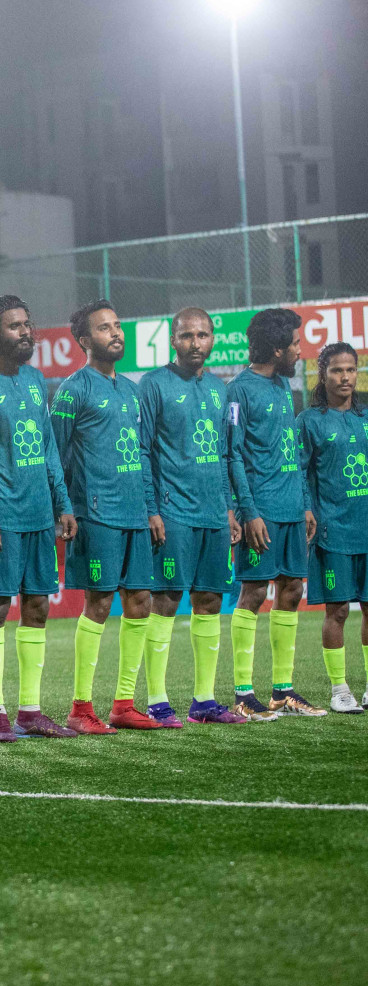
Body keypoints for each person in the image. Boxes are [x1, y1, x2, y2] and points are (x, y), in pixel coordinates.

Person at [0, 296, 79, 742]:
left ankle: (30, 711)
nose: (25, 332)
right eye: (13, 326)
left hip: (39, 515)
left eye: (27, 324)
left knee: (38, 607)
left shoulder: (35, 379)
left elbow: (47, 448)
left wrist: (62, 502)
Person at [50, 300, 157, 734]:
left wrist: (151, 509)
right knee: (99, 602)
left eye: (118, 325)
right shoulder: (73, 389)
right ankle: (80, 708)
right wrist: (63, 506)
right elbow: (54, 454)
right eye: (104, 328)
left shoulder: (131, 391)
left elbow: (144, 454)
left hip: (135, 513)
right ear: (83, 341)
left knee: (141, 602)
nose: (116, 333)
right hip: (96, 514)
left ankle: (124, 704)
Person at [137, 308, 246, 725]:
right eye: (187, 336)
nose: (195, 343)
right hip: (174, 512)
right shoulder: (153, 385)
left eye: (203, 335)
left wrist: (228, 507)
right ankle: (158, 701)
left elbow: (221, 455)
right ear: (173, 340)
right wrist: (152, 509)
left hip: (213, 515)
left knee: (210, 600)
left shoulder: (219, 389)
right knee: (164, 600)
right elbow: (142, 450)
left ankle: (203, 701)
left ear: (212, 339)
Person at [227, 308, 325, 718]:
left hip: (290, 508)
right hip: (260, 514)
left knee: (292, 591)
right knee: (252, 593)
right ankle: (242, 693)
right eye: (296, 345)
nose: (301, 352)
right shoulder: (239, 390)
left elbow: (292, 452)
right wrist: (247, 511)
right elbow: (230, 454)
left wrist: (303, 502)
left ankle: (283, 691)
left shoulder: (285, 386)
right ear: (276, 348)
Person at [300, 342, 368, 713]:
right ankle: (340, 690)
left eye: (351, 370)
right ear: (322, 374)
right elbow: (296, 471)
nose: (345, 377)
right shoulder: (310, 421)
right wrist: (308, 510)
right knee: (338, 611)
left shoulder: (365, 416)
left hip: (367, 526)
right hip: (334, 531)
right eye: (337, 370)